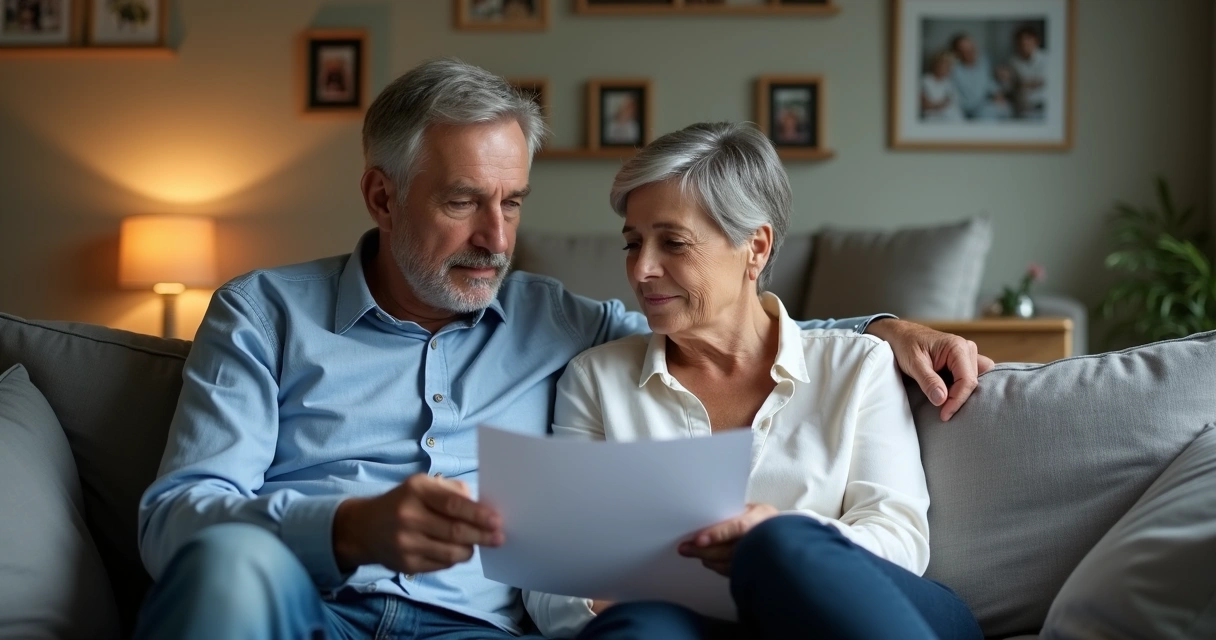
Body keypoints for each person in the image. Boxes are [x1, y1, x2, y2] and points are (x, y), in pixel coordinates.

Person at [134, 58, 992, 640]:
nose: (494, 238)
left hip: (476, 630)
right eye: (465, 201)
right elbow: (175, 519)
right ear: (380, 194)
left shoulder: (562, 323)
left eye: (512, 204)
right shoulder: (263, 314)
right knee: (226, 561)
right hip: (303, 605)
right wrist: (349, 529)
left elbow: (727, 331)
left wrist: (886, 329)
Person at [524, 122, 984, 640]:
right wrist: (591, 595)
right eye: (633, 245)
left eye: (672, 242)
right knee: (639, 626)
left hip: (865, 614)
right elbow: (551, 573)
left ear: (756, 248)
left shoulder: (859, 365)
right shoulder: (595, 381)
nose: (642, 270)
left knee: (776, 545)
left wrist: (776, 542)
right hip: (690, 624)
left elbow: (899, 538)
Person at [949, 33, 1012, 121]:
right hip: (971, 111)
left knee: (1007, 109)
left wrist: (997, 93)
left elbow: (989, 82)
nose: (971, 52)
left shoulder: (983, 61)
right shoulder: (954, 70)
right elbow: (957, 100)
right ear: (957, 53)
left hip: (987, 105)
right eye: (966, 50)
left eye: (972, 48)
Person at [1009, 25, 1047, 119]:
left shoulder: (1046, 58)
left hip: (1042, 110)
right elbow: (1011, 85)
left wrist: (1021, 84)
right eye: (1021, 43)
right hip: (1022, 110)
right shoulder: (1013, 61)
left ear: (1036, 41)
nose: (1024, 46)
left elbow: (1042, 81)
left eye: (1028, 41)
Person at [920, 50, 963, 122]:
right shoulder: (926, 81)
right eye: (945, 66)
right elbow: (923, 104)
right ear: (935, 64)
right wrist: (939, 105)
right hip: (933, 120)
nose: (948, 69)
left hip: (952, 120)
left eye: (950, 66)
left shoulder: (949, 83)